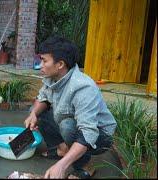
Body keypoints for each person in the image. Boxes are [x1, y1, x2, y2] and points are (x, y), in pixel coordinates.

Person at [24, 36, 117, 179]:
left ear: (60, 64)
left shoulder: (83, 87)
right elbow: (43, 97)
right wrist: (33, 115)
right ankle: (62, 150)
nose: (40, 65)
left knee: (67, 126)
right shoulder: (53, 77)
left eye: (44, 60)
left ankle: (84, 166)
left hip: (100, 135)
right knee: (35, 111)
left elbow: (88, 133)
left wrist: (62, 165)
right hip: (72, 123)